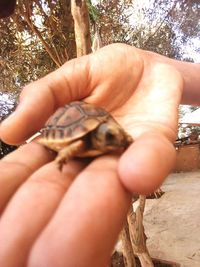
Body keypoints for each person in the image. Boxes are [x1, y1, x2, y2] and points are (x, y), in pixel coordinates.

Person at [1, 3, 200, 267]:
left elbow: (115, 137)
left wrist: (153, 70)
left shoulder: (108, 133)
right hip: (66, 131)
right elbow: (73, 145)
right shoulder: (83, 138)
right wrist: (64, 156)